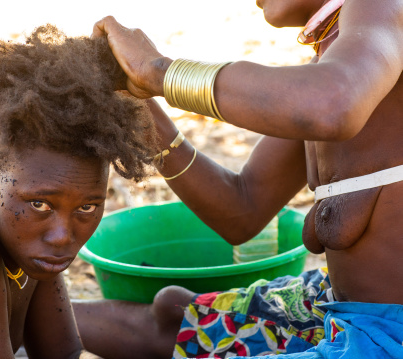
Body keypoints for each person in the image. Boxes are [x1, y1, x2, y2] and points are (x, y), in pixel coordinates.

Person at [70, 0, 403, 358]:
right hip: (341, 312)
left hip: (389, 337)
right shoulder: (331, 66)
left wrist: (160, 72)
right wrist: (132, 96)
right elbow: (243, 207)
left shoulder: (384, 8)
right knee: (175, 316)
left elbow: (333, 103)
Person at [0, 22, 159, 358]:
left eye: (88, 208)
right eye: (40, 203)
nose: (63, 236)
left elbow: (63, 353)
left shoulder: (25, 232)